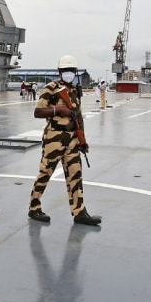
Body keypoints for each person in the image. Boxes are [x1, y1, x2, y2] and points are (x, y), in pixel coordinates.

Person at [28, 54, 101, 226]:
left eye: (71, 70)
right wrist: (58, 110)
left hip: (72, 138)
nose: (69, 73)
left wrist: (83, 139)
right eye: (65, 70)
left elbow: (79, 116)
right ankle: (34, 207)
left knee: (75, 174)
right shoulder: (51, 88)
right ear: (60, 71)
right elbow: (38, 112)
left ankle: (79, 211)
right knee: (45, 173)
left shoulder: (75, 91)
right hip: (54, 138)